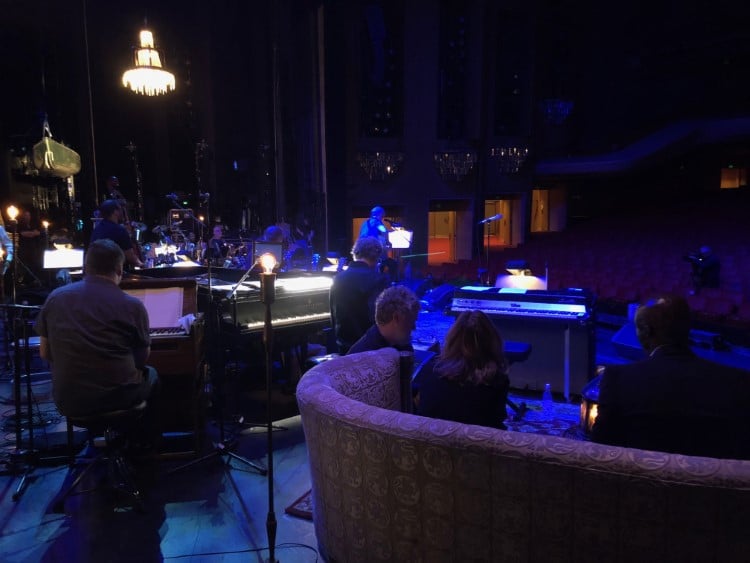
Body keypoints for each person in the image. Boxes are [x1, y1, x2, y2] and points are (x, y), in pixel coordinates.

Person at [591, 294, 750, 459]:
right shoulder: (739, 381)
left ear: (646, 332)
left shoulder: (617, 378)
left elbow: (599, 449)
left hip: (636, 473)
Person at [35, 239, 160, 445]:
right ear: (119, 270)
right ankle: (143, 448)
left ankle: (96, 444)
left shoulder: (55, 298)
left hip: (69, 401)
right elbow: (141, 359)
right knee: (152, 374)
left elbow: (45, 353)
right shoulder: (132, 305)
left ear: (85, 268)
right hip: (119, 398)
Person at [415, 310, 510, 430]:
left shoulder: (431, 369)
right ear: (492, 341)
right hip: (476, 441)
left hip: (427, 439)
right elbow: (498, 418)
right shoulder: (497, 379)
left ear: (452, 338)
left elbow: (420, 408)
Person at [330, 236, 390, 354]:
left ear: (355, 253)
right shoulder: (378, 279)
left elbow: (333, 317)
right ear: (377, 257)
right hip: (369, 351)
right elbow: (380, 321)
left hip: (343, 348)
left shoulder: (337, 278)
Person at [348, 284, 420, 354]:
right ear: (396, 318)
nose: (414, 327)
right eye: (411, 321)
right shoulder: (364, 356)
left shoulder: (400, 342)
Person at [90, 199, 144, 269]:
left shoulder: (96, 229)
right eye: (120, 209)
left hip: (97, 271)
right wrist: (142, 265)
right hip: (114, 272)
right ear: (115, 211)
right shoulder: (119, 230)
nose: (122, 212)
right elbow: (130, 256)